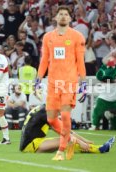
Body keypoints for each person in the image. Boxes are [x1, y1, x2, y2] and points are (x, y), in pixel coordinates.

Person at [37, 6, 87, 161]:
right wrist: (38, 79)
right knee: (51, 119)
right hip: (53, 82)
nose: (64, 16)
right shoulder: (47, 37)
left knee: (65, 115)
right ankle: (70, 139)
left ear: (70, 18)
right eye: (61, 14)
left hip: (69, 81)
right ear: (55, 18)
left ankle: (61, 151)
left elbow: (80, 61)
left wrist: (83, 83)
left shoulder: (77, 36)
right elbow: (45, 59)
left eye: (66, 14)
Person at [20, 105, 115, 154]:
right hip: (32, 145)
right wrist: (81, 142)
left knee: (68, 143)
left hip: (33, 143)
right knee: (68, 141)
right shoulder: (48, 113)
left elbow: (66, 130)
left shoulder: (44, 109)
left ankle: (92, 147)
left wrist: (84, 140)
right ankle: (99, 149)